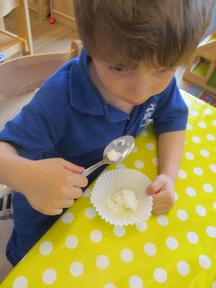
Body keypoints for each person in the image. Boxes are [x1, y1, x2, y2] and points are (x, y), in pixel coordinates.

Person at [0, 0, 214, 266]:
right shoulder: (58, 99)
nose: (140, 92)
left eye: (163, 69)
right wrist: (26, 177)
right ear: (90, 42)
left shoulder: (161, 84)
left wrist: (168, 176)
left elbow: (172, 119)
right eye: (119, 68)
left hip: (97, 206)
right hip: (46, 212)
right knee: (35, 265)